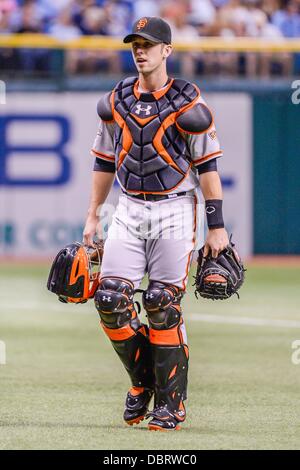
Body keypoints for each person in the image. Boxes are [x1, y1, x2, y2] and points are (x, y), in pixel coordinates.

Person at [83, 16, 229, 431]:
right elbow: (103, 160)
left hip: (175, 207)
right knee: (110, 300)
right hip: (128, 207)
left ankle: (171, 404)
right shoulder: (117, 99)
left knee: (161, 304)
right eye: (135, 44)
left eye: (148, 44)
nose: (140, 50)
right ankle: (142, 382)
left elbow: (207, 167)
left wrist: (216, 226)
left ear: (168, 50)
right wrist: (93, 211)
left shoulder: (188, 100)